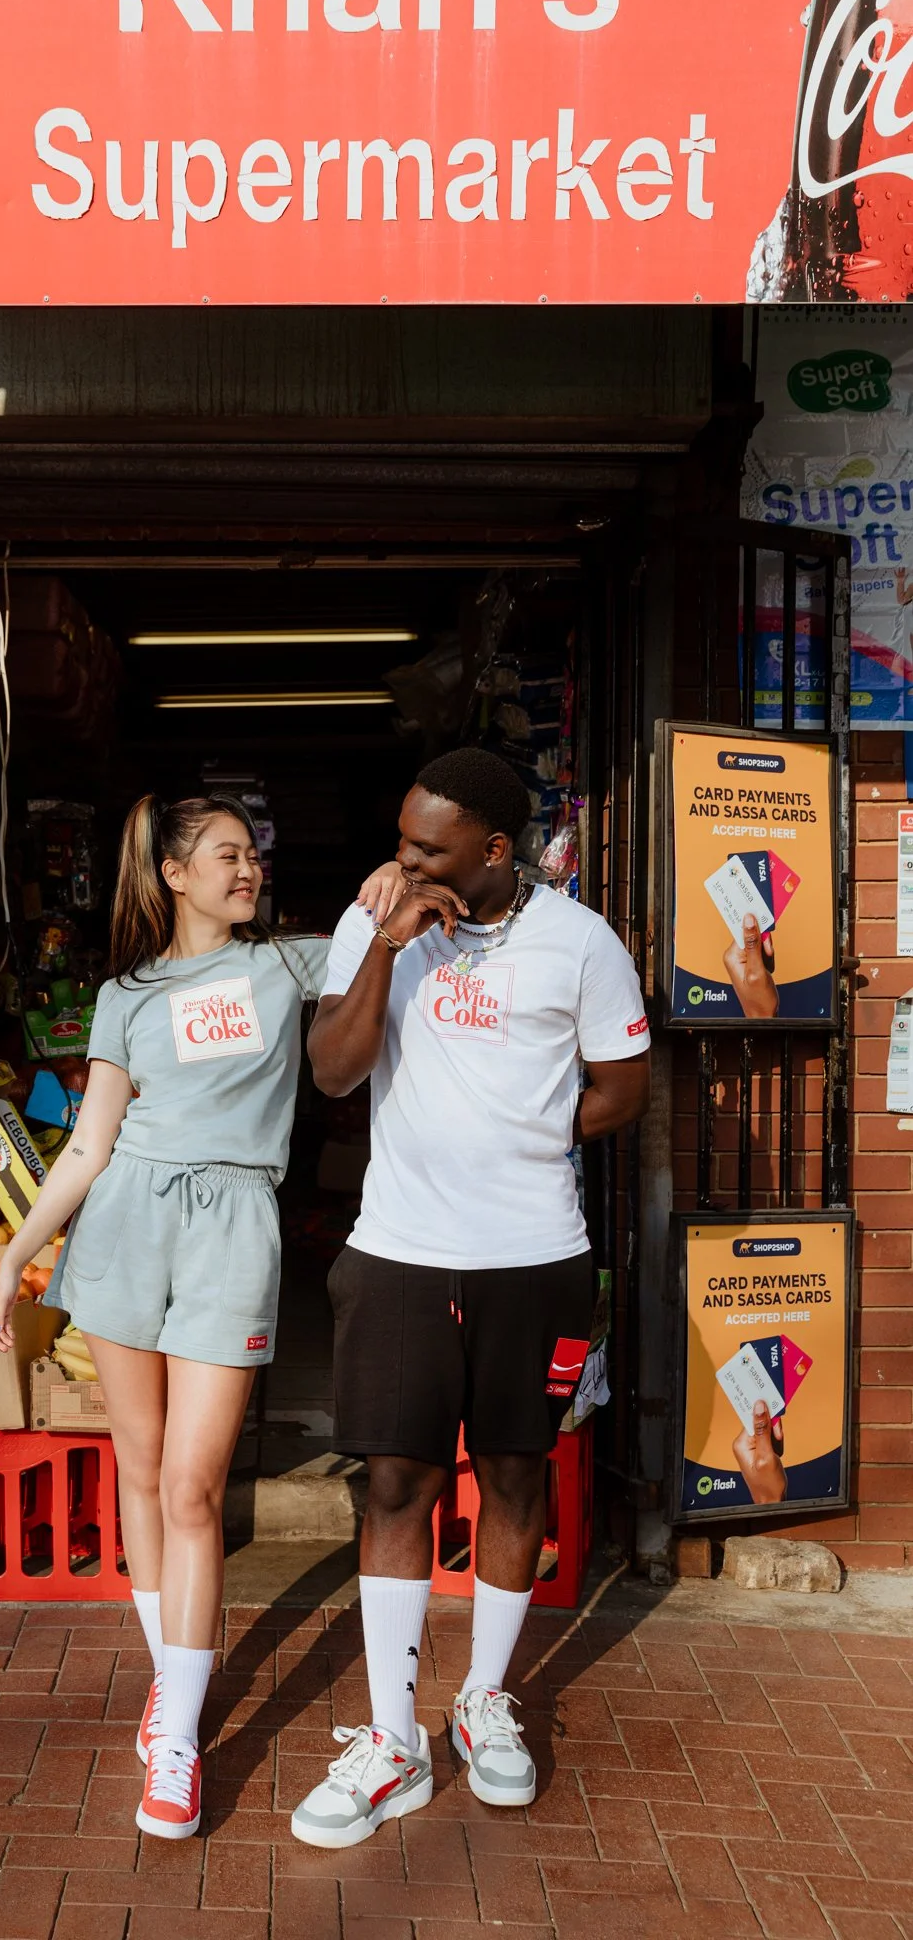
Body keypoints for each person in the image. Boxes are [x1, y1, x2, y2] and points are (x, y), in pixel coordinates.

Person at [0, 795, 398, 1841]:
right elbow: (87, 1145)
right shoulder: (125, 994)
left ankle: (178, 1726)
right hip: (124, 1221)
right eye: (226, 855)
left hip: (232, 1224)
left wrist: (388, 886)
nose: (247, 869)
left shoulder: (287, 966)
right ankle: (176, 1693)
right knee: (139, 1463)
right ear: (173, 874)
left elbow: (367, 938)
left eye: (253, 854)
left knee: (194, 1485)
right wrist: (13, 1261)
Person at [290, 748, 651, 1846]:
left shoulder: (582, 942)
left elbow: (622, 1087)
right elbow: (334, 1072)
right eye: (400, 841)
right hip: (398, 1247)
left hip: (533, 1251)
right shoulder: (379, 925)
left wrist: (522, 1136)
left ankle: (485, 1696)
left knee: (513, 1470)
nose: (403, 860)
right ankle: (393, 1736)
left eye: (428, 848)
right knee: (395, 1478)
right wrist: (388, 946)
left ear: (495, 851)